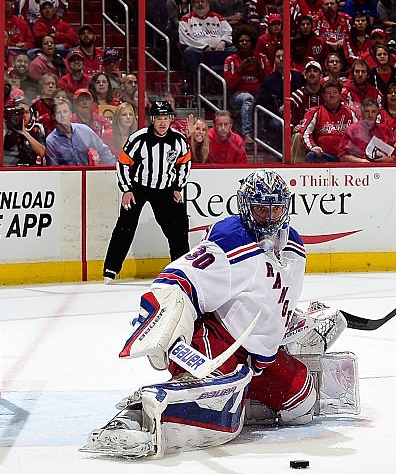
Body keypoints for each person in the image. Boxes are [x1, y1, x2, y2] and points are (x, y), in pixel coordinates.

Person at [81, 170, 359, 458]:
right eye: (261, 209)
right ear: (245, 207)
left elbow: (272, 299)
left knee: (303, 403)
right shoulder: (231, 241)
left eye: (277, 209)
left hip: (262, 359)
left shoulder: (294, 248)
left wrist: (288, 323)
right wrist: (162, 323)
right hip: (219, 343)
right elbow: (177, 280)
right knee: (218, 420)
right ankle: (134, 419)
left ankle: (246, 396)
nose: (270, 218)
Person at [103, 101, 192, 283]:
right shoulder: (139, 138)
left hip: (165, 189)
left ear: (171, 120)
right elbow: (123, 163)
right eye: (159, 118)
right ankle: (110, 269)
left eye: (166, 118)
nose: (162, 122)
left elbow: (185, 163)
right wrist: (127, 189)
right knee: (125, 227)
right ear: (152, 119)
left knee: (178, 229)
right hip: (139, 188)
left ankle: (181, 269)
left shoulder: (178, 140)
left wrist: (177, 187)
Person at [44, 101, 117, 166]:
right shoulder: (51, 142)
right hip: (65, 179)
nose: (62, 115)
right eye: (58, 112)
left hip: (88, 176)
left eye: (65, 111)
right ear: (54, 116)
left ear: (71, 114)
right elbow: (53, 169)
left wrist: (109, 171)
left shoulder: (84, 130)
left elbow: (103, 150)